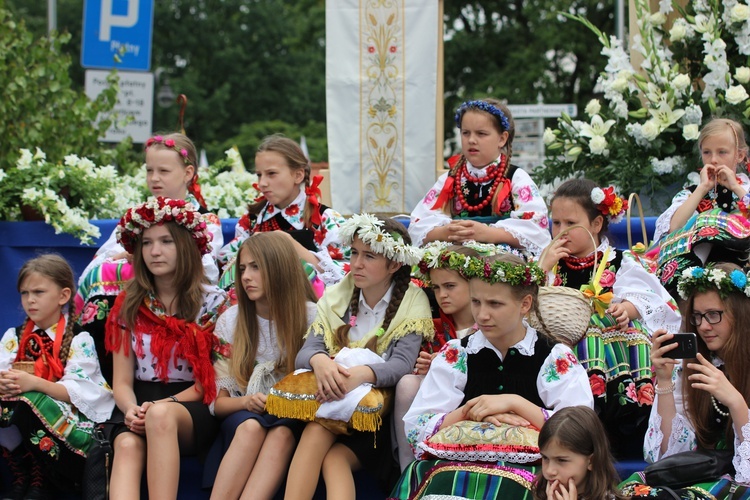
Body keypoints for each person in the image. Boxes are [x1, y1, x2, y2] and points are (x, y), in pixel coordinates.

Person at [395, 253, 594, 498]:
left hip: (529, 472)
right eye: (476, 302)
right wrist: (472, 411)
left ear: (525, 304)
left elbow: (580, 430)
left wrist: (514, 403)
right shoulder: (458, 354)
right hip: (457, 471)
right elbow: (417, 429)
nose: (482, 315)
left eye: (495, 304)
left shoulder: (554, 357)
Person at [284, 214, 434, 499]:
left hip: (376, 419)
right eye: (353, 253)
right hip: (328, 403)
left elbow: (402, 365)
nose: (356, 263)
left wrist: (361, 375)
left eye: (369, 256)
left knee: (331, 453)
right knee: (317, 432)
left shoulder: (413, 300)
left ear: (394, 263)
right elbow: (306, 353)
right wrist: (321, 362)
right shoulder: (337, 295)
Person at [540, 178, 681, 458]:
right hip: (557, 342)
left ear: (595, 224)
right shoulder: (547, 262)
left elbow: (654, 299)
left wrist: (627, 308)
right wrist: (542, 268)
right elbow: (523, 300)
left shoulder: (619, 260)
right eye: (556, 223)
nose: (561, 231)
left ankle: (619, 420)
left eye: (571, 223)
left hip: (610, 351)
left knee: (604, 329)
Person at [103, 197, 229, 499]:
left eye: (165, 242)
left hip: (193, 402)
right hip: (140, 400)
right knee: (127, 444)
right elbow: (121, 381)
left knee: (160, 418)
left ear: (185, 246)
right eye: (146, 243)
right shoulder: (128, 303)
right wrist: (130, 409)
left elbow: (208, 384)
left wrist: (160, 407)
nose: (154, 251)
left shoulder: (214, 304)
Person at [76, 132, 223, 384]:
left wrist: (134, 258)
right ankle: (100, 378)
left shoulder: (204, 220)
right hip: (138, 298)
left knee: (111, 280)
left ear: (188, 173)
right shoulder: (139, 217)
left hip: (179, 301)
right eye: (149, 170)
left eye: (163, 171)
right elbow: (104, 256)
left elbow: (204, 266)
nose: (154, 178)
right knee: (100, 277)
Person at [203, 232, 318, 499]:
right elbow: (218, 404)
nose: (245, 276)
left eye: (256, 267)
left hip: (294, 415)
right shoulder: (231, 321)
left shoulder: (312, 315)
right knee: (251, 427)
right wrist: (246, 402)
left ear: (279, 268)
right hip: (243, 415)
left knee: (281, 435)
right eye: (242, 268)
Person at [620, 263, 750, 496]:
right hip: (704, 473)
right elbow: (668, 459)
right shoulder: (693, 365)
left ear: (740, 314)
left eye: (713, 315)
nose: (704, 326)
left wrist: (736, 402)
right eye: (697, 316)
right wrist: (664, 381)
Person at [0, 255, 113, 499]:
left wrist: (34, 384)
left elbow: (82, 390)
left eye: (39, 292)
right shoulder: (14, 336)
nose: (30, 300)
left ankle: (47, 474)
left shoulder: (78, 338)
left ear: (63, 296)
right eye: (24, 293)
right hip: (28, 415)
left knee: (28, 400)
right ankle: (25, 471)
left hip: (67, 420)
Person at [408, 98, 550, 258]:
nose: (471, 140)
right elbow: (417, 225)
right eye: (465, 133)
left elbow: (537, 229)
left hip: (503, 264)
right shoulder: (451, 179)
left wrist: (488, 233)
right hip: (456, 260)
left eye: (481, 133)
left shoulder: (516, 178)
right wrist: (446, 232)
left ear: (502, 138)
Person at [393, 241, 491, 471]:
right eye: (436, 288)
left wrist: (449, 364)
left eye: (449, 286)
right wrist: (428, 367)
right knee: (408, 384)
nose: (442, 295)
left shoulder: (491, 323)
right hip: (439, 403)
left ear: (474, 285)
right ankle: (409, 470)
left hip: (480, 396)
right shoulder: (432, 326)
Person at [218, 134, 349, 291]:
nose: (262, 183)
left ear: (298, 175)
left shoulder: (323, 219)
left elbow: (348, 272)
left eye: (271, 174)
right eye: (259, 175)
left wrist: (290, 245)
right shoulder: (252, 221)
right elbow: (227, 265)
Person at [652, 118, 750, 295]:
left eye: (722, 152)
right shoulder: (691, 194)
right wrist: (702, 188)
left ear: (740, 155)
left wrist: (735, 187)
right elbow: (674, 227)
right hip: (696, 280)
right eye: (707, 152)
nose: (713, 160)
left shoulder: (746, 189)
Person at [533, 406, 628, 500]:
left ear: (591, 461)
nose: (549, 471)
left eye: (561, 460)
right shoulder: (537, 492)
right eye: (545, 458)